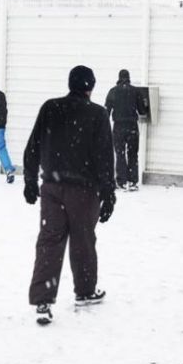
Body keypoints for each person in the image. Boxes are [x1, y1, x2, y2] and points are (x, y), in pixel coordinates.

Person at [23, 65, 116, 326]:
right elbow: (105, 158)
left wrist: (30, 180)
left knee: (49, 242)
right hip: (83, 191)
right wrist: (109, 193)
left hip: (51, 188)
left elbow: (33, 147)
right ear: (90, 87)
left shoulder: (50, 108)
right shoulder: (97, 114)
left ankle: (43, 300)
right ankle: (85, 292)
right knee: (83, 241)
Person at [105, 69, 147, 191]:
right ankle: (133, 181)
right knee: (133, 154)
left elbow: (106, 111)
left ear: (119, 78)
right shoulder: (136, 91)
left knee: (120, 154)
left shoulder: (113, 91)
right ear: (129, 78)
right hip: (132, 126)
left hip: (118, 126)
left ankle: (121, 181)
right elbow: (142, 111)